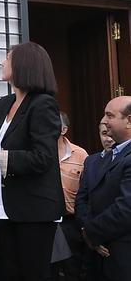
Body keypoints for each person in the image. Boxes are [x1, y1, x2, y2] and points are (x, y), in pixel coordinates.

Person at [0, 42, 64, 281]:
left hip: (34, 210)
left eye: (7, 58)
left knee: (31, 274)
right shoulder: (4, 103)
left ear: (23, 65)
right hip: (2, 208)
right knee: (4, 271)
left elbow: (43, 158)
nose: (2, 62)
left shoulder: (43, 104)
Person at [74, 96, 131, 281]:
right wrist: (88, 233)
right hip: (97, 255)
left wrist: (91, 232)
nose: (104, 122)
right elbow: (87, 198)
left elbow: (126, 208)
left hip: (123, 254)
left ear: (129, 120)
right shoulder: (105, 157)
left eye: (110, 115)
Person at [51, 112, 89, 281]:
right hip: (44, 221)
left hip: (70, 221)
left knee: (72, 270)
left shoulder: (80, 154)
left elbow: (88, 191)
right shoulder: (38, 154)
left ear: (63, 129)